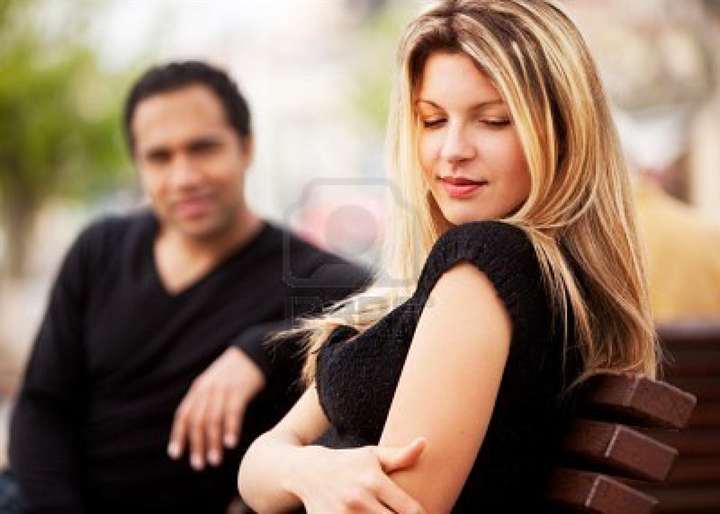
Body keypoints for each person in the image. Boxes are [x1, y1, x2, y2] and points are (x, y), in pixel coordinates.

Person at [237, 1, 662, 512]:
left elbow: (391, 506)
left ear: (564, 132)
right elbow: (257, 467)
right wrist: (311, 471)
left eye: (494, 121)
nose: (452, 149)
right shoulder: (484, 276)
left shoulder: (486, 265)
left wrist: (296, 468)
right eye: (433, 120)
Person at [9, 61, 370, 514]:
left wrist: (260, 349)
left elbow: (384, 310)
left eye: (203, 148)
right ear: (139, 166)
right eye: (160, 157)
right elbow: (42, 407)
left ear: (246, 147)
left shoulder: (305, 277)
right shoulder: (99, 250)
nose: (184, 177)